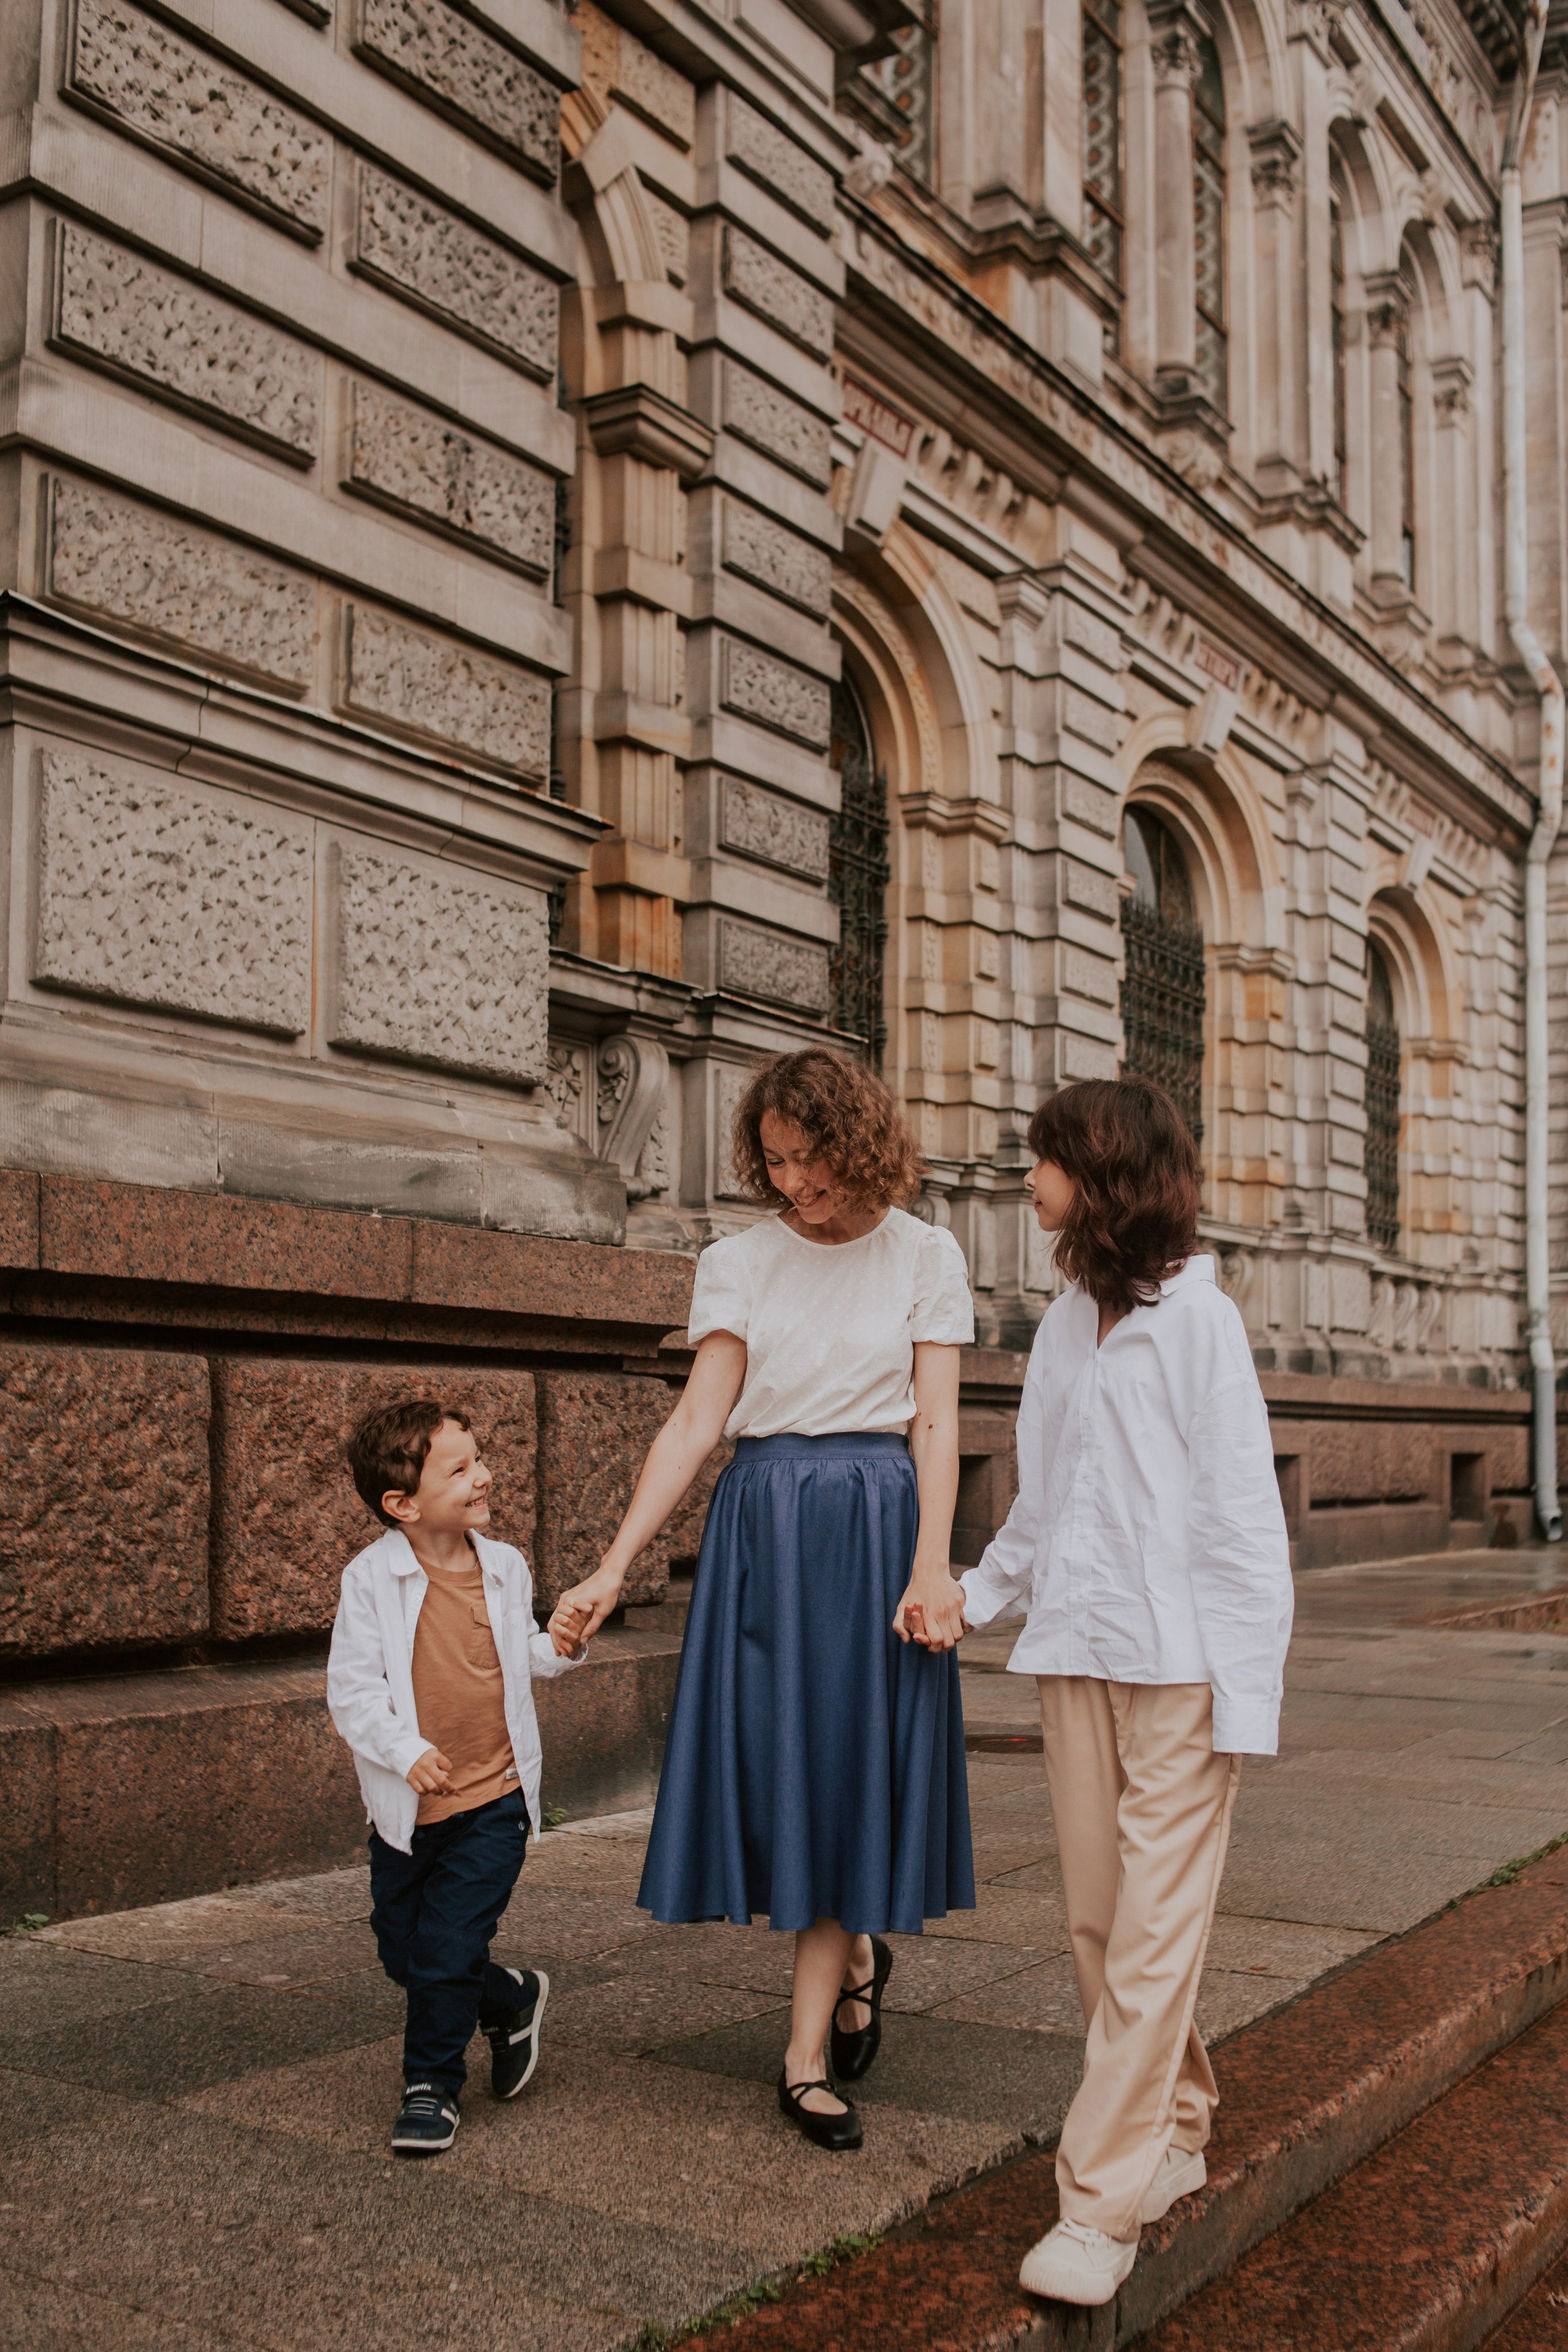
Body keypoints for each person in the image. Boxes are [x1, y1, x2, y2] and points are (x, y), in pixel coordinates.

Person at [548, 1047, 976, 2150]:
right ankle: (858, 1954)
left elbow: (934, 1420)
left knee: (844, 1772)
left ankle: (801, 2060)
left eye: (813, 1157)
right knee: (785, 1764)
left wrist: (934, 1564)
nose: (795, 1181)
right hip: (768, 1524)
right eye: (777, 1160)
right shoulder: (738, 1260)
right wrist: (613, 1565)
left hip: (878, 1519)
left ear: (860, 1141)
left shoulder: (927, 1253)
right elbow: (696, 1422)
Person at [959, 1077, 1293, 2306]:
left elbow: (1240, 1526)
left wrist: (1242, 1701)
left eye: (1044, 1158)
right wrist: (971, 1598)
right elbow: (1038, 1512)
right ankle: (1181, 2121)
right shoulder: (1062, 1327)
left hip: (1182, 1670)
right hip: (1073, 1655)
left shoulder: (1199, 1326)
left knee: (1150, 1937)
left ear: (1098, 1172)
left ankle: (1094, 2206)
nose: (1026, 1176)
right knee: (1107, 1927)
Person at [327, 1398, 582, 2156]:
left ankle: (430, 2087)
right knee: (403, 1953)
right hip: (409, 1809)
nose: (484, 1475)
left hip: (493, 1801)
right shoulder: (371, 1580)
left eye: (479, 1458)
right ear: (401, 1504)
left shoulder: (502, 1565)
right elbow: (352, 1689)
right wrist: (403, 1750)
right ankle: (509, 1998)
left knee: (443, 1951)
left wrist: (559, 1646)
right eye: (461, 1467)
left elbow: (518, 1656)